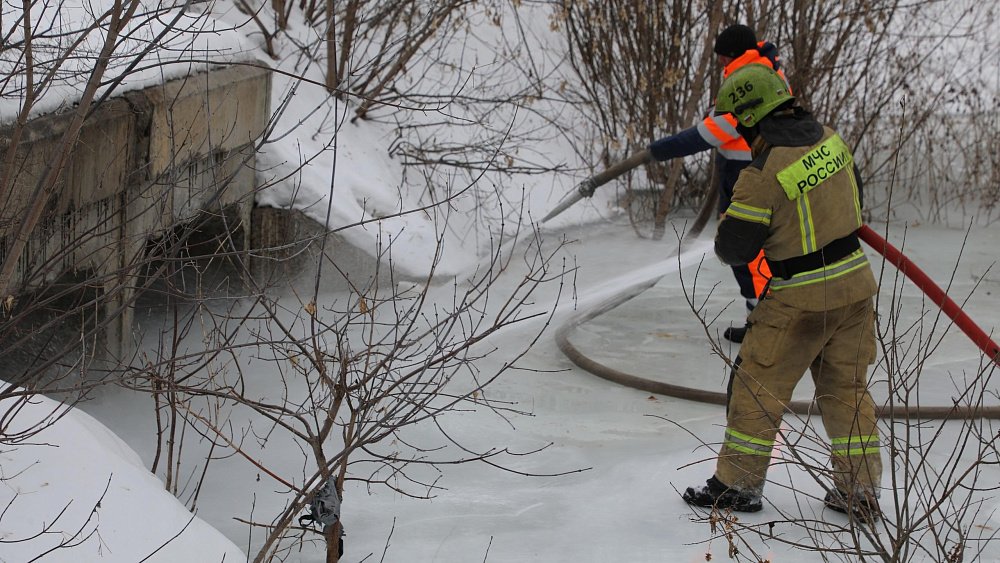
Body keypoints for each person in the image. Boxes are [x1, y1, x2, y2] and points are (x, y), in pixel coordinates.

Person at [681, 63, 883, 521]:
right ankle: (860, 492)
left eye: (738, 122)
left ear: (750, 117)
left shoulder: (762, 174)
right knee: (847, 391)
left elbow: (734, 249)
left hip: (800, 299)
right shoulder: (831, 140)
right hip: (856, 287)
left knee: (756, 387)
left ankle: (737, 485)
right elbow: (853, 200)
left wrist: (732, 219)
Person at [647, 24, 784, 343]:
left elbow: (713, 132)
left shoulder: (750, 81)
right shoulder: (761, 70)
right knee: (749, 249)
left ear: (735, 55)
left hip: (749, 174)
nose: (721, 62)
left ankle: (763, 324)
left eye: (724, 57)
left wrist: (660, 150)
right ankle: (761, 318)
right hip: (743, 171)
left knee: (746, 250)